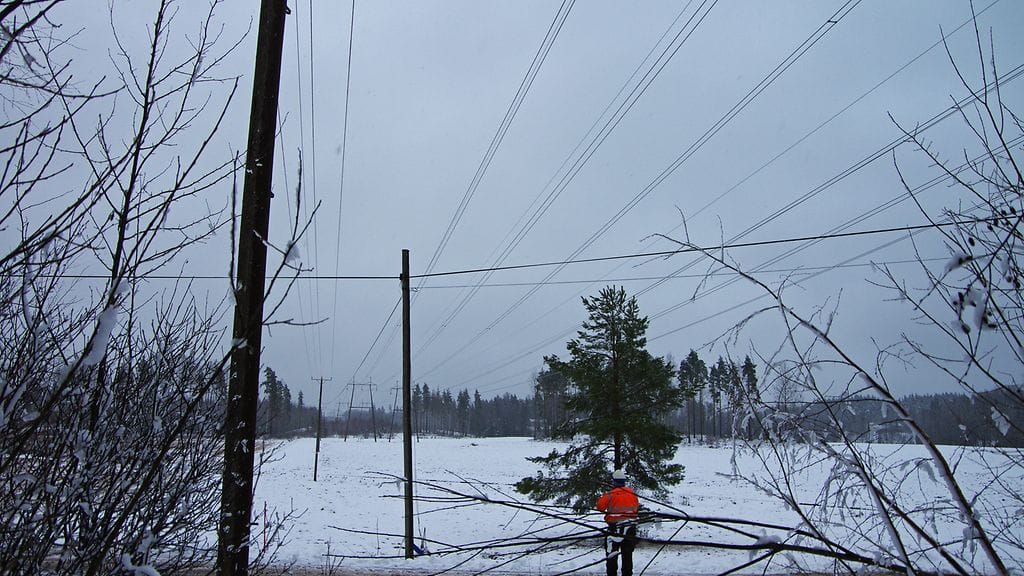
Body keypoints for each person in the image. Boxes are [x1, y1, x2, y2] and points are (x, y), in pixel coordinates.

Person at [595, 469, 639, 576]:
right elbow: (636, 507)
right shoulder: (632, 493)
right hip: (630, 528)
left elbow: (600, 507)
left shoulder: (610, 494)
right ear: (624, 481)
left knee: (611, 556)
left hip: (614, 528)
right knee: (627, 555)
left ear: (614, 481)